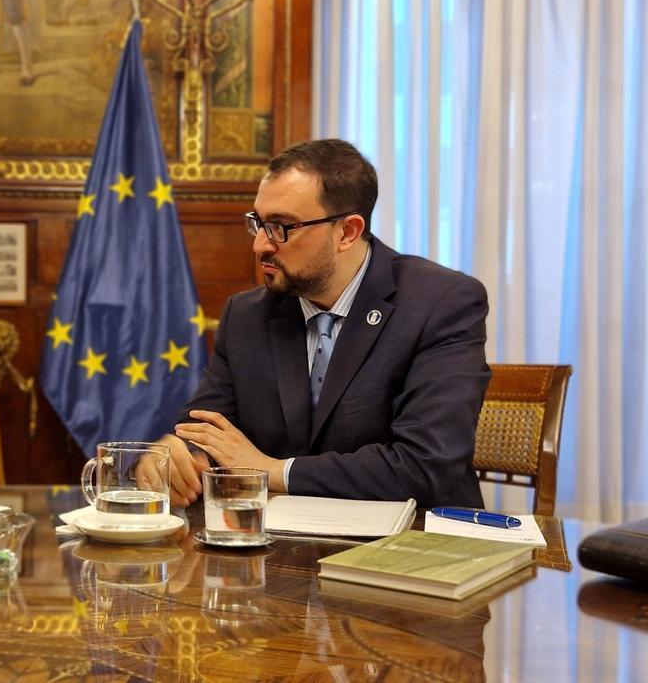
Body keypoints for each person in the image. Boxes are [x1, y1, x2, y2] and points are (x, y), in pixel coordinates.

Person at [153, 139, 489, 508]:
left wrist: (273, 470)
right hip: (281, 547)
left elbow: (427, 465)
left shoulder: (440, 303)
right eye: (259, 224)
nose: (260, 246)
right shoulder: (247, 315)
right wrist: (178, 454)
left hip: (412, 545)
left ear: (347, 232)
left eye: (281, 226)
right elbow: (208, 429)